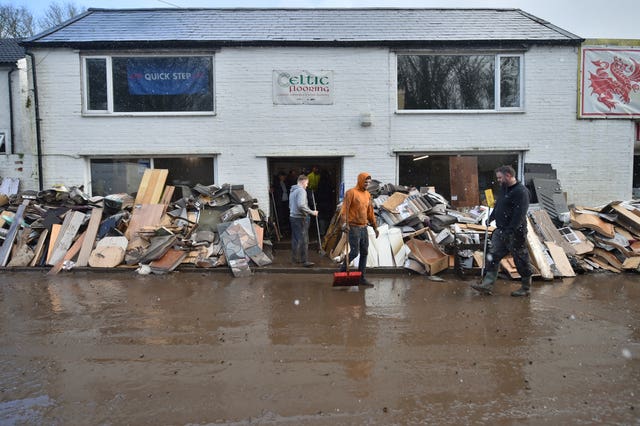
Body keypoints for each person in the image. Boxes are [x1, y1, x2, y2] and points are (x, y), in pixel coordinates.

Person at [472, 165, 534, 297]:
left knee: (520, 259)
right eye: (498, 178)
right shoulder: (504, 188)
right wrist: (492, 217)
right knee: (493, 256)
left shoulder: (521, 192)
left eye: (500, 177)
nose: (498, 180)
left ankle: (525, 287)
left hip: (515, 232)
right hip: (501, 230)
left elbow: (519, 215)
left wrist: (510, 231)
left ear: (509, 176)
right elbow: (499, 205)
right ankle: (487, 285)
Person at [340, 172, 379, 286]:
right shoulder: (351, 193)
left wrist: (375, 226)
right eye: (365, 181)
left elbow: (370, 212)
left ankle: (361, 277)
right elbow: (344, 210)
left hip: (364, 227)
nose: (367, 184)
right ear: (360, 181)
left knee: (364, 252)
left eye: (369, 182)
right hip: (353, 227)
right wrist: (344, 224)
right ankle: (342, 272)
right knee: (354, 252)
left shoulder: (367, 194)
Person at [289, 174, 318, 267]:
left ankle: (295, 259)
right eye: (307, 183)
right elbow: (301, 205)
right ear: (303, 182)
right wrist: (312, 212)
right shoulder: (301, 191)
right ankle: (304, 261)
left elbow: (291, 205)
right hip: (301, 218)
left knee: (295, 239)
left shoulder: (292, 190)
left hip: (293, 217)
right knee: (304, 239)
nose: (307, 185)